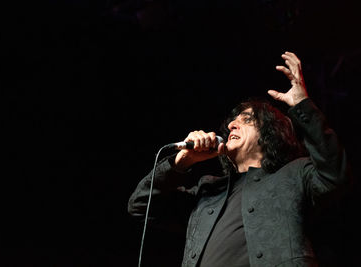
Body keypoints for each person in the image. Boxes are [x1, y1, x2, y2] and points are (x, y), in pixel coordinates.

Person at [127, 52, 351, 266]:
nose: (233, 124)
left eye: (246, 119)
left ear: (270, 135)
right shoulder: (207, 190)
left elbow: (334, 174)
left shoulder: (294, 174)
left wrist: (303, 105)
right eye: (233, 121)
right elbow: (140, 205)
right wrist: (182, 161)